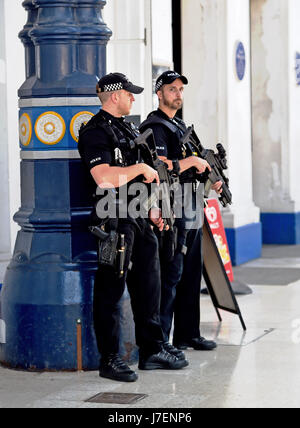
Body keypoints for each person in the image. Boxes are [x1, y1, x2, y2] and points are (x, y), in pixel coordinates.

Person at [77, 72, 188, 383]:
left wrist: (153, 207)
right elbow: (103, 177)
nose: (133, 98)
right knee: (110, 291)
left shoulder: (127, 129)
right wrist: (139, 167)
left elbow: (141, 178)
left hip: (138, 217)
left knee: (149, 286)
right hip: (113, 221)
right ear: (115, 96)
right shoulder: (96, 132)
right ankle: (109, 359)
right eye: (129, 94)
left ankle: (152, 349)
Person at [140, 70, 222, 352]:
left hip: (192, 202)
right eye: (172, 89)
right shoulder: (154, 126)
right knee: (171, 274)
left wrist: (212, 176)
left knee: (191, 273)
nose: (178, 94)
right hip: (172, 205)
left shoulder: (180, 125)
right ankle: (161, 339)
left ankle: (188, 334)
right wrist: (191, 162)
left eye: (180, 89)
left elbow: (195, 159)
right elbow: (159, 162)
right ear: (159, 93)